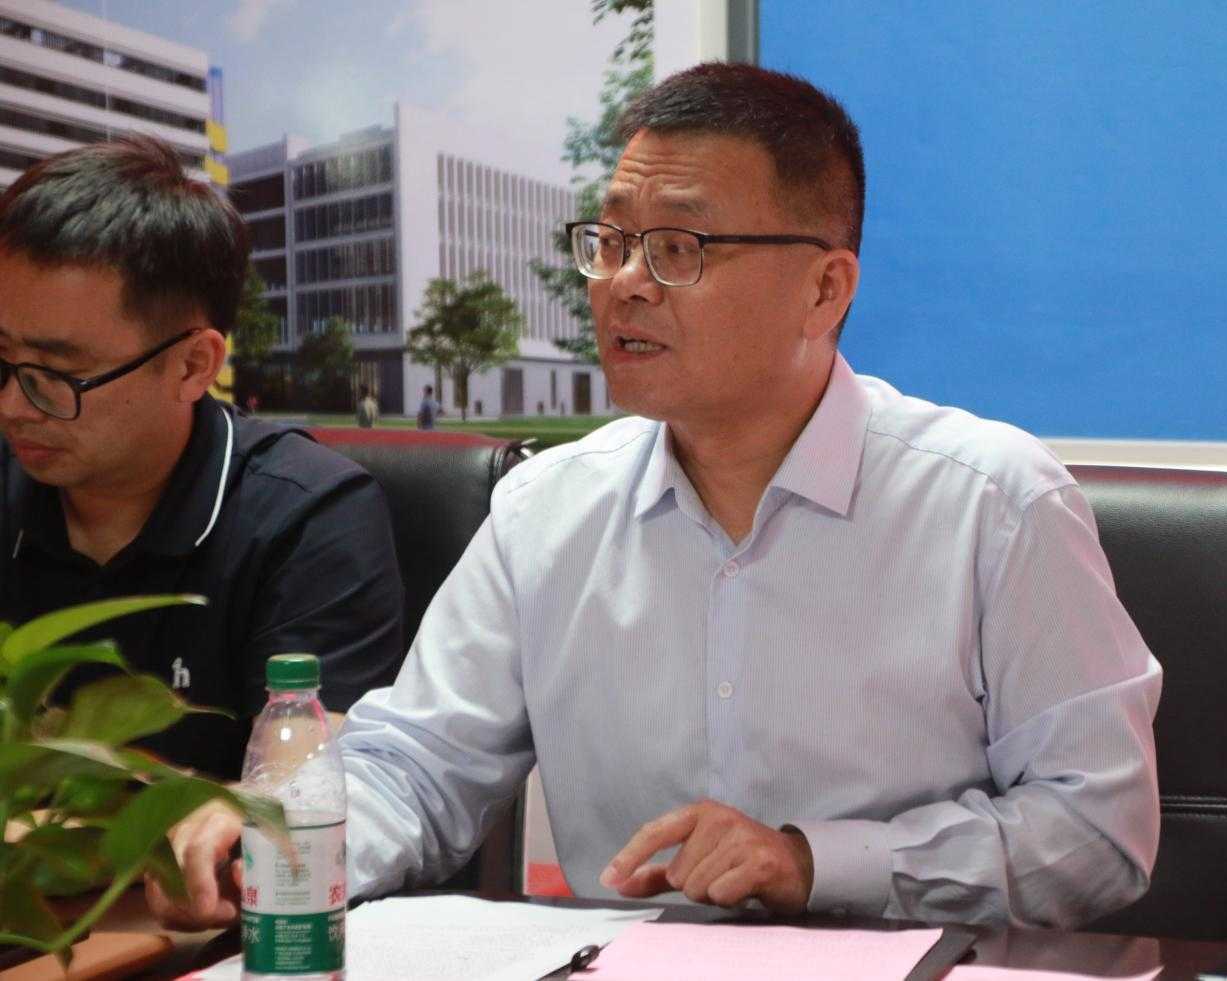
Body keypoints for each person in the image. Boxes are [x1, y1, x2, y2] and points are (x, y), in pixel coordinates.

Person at [153, 64, 1160, 930]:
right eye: (609, 242)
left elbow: (1096, 830)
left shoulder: (994, 503)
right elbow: (418, 765)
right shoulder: (545, 511)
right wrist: (284, 832)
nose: (621, 284)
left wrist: (813, 860)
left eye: (678, 248)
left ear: (824, 288)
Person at [0, 136, 406, 780]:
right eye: (3, 359)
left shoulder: (308, 518)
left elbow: (300, 800)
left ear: (193, 365)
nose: (13, 407)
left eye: (56, 374)